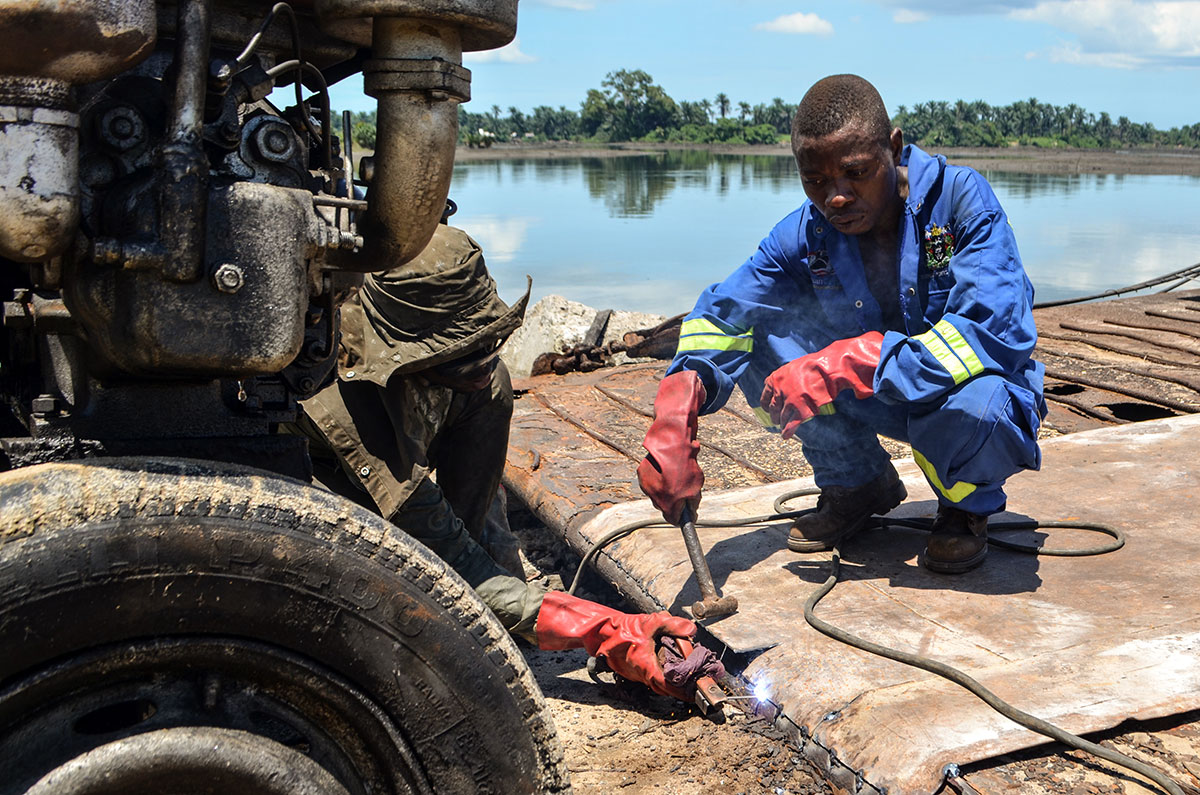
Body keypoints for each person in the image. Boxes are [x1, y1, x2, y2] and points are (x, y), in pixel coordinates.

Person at [637, 74, 1046, 574]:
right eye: (817, 181)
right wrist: (678, 402)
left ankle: (964, 508)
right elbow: (727, 314)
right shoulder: (804, 233)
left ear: (893, 149)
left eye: (855, 172)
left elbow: (991, 333)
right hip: (875, 395)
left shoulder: (961, 203)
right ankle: (855, 485)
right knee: (755, 338)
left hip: (958, 397)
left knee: (977, 410)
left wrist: (848, 362)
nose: (836, 197)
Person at [296, 221, 696, 700]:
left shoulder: (480, 378)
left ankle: (497, 610)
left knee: (492, 387)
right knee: (392, 603)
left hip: (431, 500)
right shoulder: (351, 404)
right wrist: (603, 628)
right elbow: (446, 554)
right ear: (410, 358)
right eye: (464, 352)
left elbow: (480, 508)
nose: (485, 359)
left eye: (491, 341)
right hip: (329, 500)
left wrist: (519, 600)